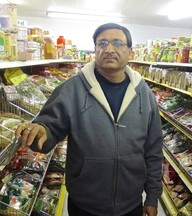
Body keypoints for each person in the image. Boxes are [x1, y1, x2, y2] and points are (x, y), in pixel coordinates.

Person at [15, 23, 164, 216]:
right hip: (84, 204)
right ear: (95, 49)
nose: (109, 49)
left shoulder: (145, 94)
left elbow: (153, 149)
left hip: (131, 202)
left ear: (130, 52)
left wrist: (152, 197)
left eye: (117, 43)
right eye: (102, 43)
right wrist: (40, 131)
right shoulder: (71, 89)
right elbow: (48, 130)